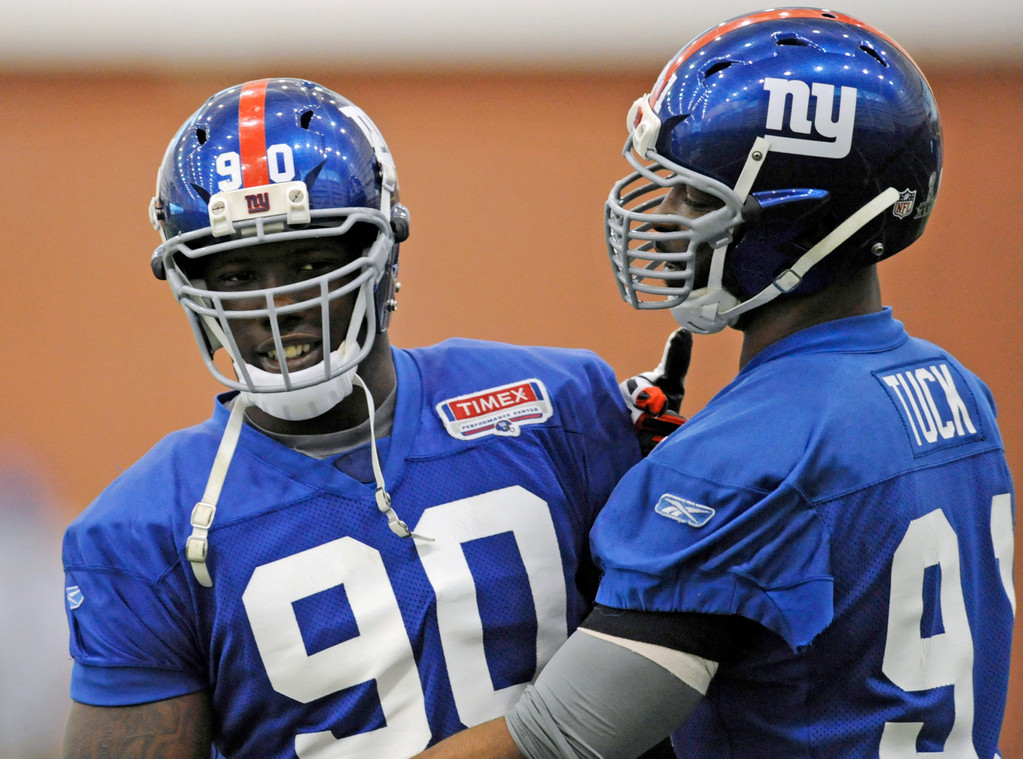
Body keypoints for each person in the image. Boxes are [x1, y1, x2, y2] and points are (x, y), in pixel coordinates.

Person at [415, 8, 1016, 759]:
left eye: (698, 197)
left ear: (803, 219)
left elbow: (564, 734)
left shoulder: (743, 453)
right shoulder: (958, 390)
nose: (665, 215)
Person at [60, 78, 684, 759]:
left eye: (309, 260)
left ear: (384, 255)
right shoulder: (139, 530)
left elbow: (677, 663)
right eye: (236, 275)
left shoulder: (553, 401)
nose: (279, 302)